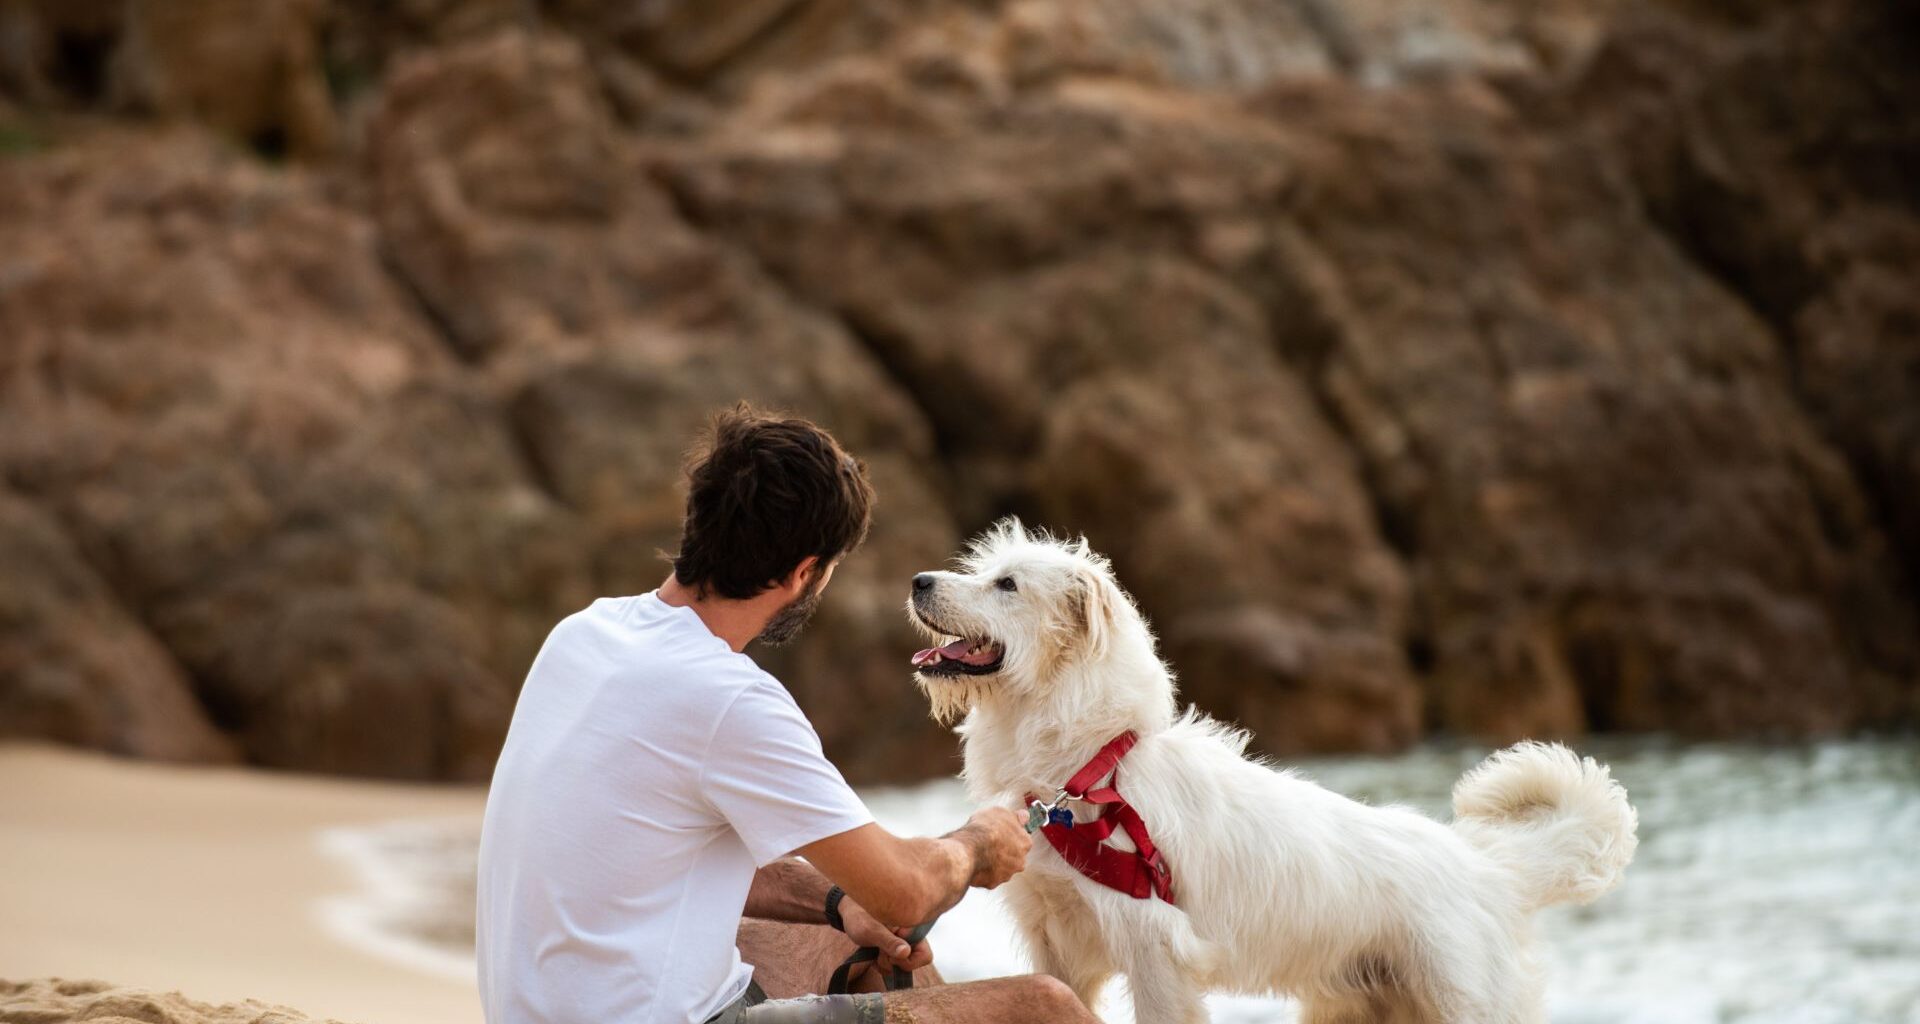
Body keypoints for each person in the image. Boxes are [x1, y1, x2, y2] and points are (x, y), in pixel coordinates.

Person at [476, 404, 1098, 1024]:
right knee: (1044, 1008)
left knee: (846, 934)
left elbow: (652, 855)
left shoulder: (583, 634)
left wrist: (838, 903)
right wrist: (976, 844)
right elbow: (905, 888)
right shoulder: (730, 701)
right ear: (804, 572)